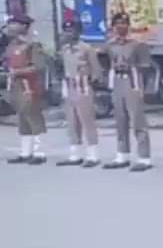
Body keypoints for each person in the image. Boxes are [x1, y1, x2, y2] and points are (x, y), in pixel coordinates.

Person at [101, 12, 153, 172]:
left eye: (123, 23)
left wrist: (133, 72)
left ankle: (144, 157)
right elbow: (105, 62)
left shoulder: (137, 44)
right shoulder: (110, 45)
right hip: (117, 81)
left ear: (128, 26)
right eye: (117, 23)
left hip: (133, 81)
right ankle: (122, 154)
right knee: (120, 119)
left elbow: (146, 66)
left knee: (137, 120)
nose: (120, 26)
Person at [55, 18, 102, 168]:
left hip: (83, 86)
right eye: (66, 30)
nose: (69, 33)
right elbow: (62, 68)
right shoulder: (64, 49)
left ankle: (93, 155)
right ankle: (75, 154)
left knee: (87, 121)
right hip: (69, 86)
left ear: (79, 31)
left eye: (72, 30)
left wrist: (89, 82)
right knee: (72, 121)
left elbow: (97, 71)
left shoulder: (87, 49)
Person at [4, 14, 49, 164]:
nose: (10, 27)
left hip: (30, 86)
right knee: (22, 118)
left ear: (24, 26)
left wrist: (18, 72)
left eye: (13, 23)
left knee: (34, 117)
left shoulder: (32, 45)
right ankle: (25, 152)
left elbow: (38, 66)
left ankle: (39, 153)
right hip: (16, 85)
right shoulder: (12, 45)